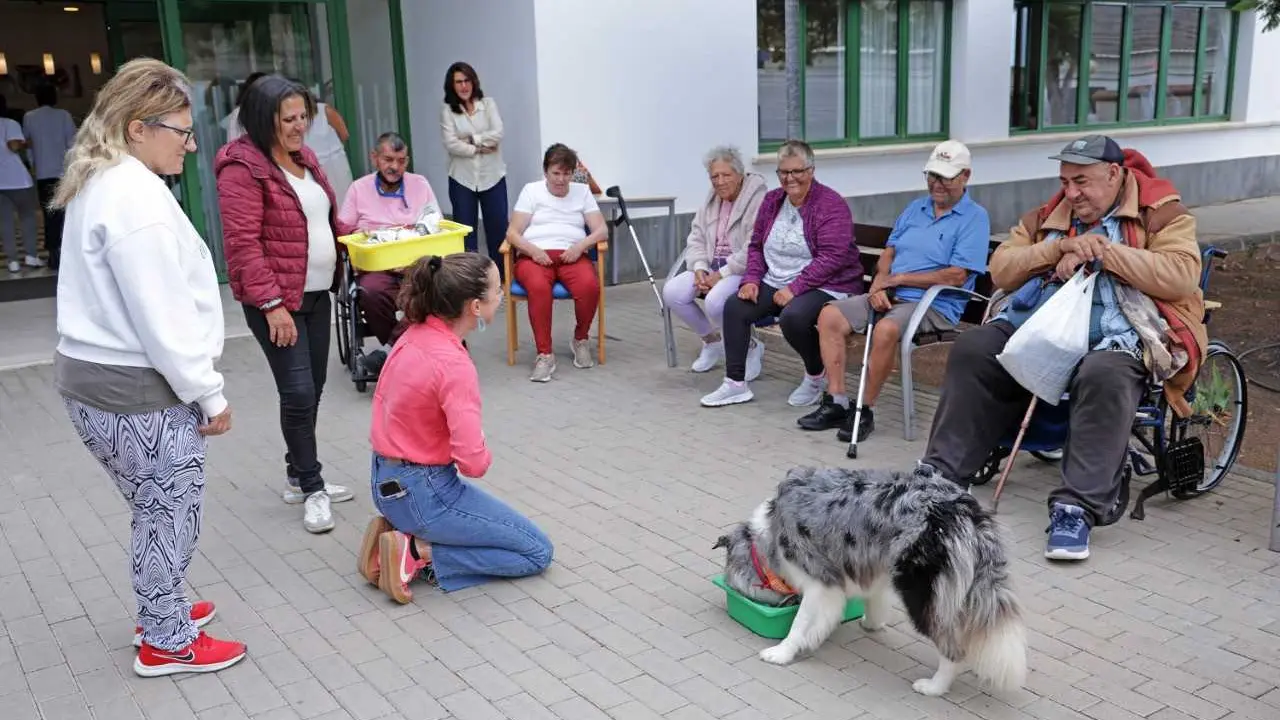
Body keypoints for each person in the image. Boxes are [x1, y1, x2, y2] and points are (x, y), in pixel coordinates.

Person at [917, 134, 1206, 561]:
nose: (1071, 192)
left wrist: (1105, 252)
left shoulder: (1163, 214)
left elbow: (1181, 275)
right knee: (975, 347)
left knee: (1105, 373)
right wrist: (1059, 248)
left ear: (1114, 174)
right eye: (1065, 181)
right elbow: (1002, 268)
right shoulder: (1054, 213)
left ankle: (1077, 507)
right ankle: (941, 477)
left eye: (1081, 181)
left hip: (1118, 332)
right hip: (1044, 326)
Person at [51, 58, 244, 677]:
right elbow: (161, 318)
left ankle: (161, 609)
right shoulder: (135, 200)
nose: (191, 144)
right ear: (139, 127)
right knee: (167, 511)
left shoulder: (106, 179)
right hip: (135, 389)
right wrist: (208, 394)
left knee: (152, 506)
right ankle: (166, 639)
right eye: (182, 132)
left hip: (95, 382)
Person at [358, 252, 554, 603]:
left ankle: (399, 535)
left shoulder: (413, 333)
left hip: (386, 483)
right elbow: (474, 464)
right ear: (475, 306)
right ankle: (415, 552)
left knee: (499, 530)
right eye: (498, 289)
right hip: (426, 493)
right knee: (536, 552)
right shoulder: (453, 363)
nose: (503, 295)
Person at [216, 74, 355, 534]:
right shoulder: (242, 167)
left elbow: (316, 222)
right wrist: (272, 304)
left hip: (316, 294)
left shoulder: (306, 158)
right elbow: (243, 244)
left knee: (312, 389)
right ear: (262, 119)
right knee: (296, 392)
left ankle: (298, 473)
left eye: (303, 117)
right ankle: (311, 487)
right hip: (278, 301)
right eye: (288, 119)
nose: (299, 127)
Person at [798, 140, 991, 443]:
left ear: (965, 176)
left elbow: (956, 275)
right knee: (830, 316)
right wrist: (879, 282)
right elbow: (889, 251)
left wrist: (898, 279)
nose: (936, 184)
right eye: (932, 175)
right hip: (892, 292)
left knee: (886, 330)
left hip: (934, 304)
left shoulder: (975, 218)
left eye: (945, 177)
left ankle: (864, 410)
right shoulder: (916, 207)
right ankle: (837, 401)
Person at [700, 139, 864, 408]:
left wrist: (795, 288)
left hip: (826, 283)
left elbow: (832, 258)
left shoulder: (830, 204)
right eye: (784, 172)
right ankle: (735, 384)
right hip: (776, 278)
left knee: (794, 317)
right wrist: (752, 279)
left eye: (797, 171)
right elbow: (756, 246)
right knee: (735, 307)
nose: (790, 179)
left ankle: (815, 375)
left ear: (811, 170)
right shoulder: (773, 200)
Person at [337, 131, 440, 376]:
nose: (395, 166)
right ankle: (414, 350)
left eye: (401, 161)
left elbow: (435, 222)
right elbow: (342, 229)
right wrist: (360, 233)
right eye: (389, 160)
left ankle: (406, 351)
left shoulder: (420, 184)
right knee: (371, 292)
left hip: (416, 266)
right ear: (375, 158)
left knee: (437, 289)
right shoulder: (358, 189)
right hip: (376, 267)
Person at [505, 143, 608, 382]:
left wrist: (580, 247)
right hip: (535, 256)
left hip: (572, 254)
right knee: (539, 288)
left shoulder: (582, 192)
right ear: (545, 172)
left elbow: (601, 230)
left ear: (573, 173)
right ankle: (544, 355)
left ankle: (580, 339)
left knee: (589, 286)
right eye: (556, 173)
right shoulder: (532, 191)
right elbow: (512, 234)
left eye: (566, 173)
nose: (561, 180)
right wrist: (532, 251)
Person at [662, 144, 768, 373]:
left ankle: (749, 346)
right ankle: (712, 341)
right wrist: (699, 268)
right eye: (714, 176)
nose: (720, 181)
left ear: (739, 174)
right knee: (673, 292)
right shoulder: (711, 201)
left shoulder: (757, 200)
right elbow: (696, 238)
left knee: (715, 301)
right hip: (712, 266)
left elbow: (754, 247)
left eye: (726, 175)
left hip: (740, 270)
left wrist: (720, 275)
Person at [440, 61, 508, 268]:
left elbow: (498, 133)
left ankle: (501, 277)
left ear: (473, 81)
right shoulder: (448, 111)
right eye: (458, 82)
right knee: (466, 232)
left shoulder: (488, 105)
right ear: (451, 86)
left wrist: (470, 140)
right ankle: (470, 279)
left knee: (497, 228)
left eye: (466, 80)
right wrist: (480, 147)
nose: (463, 86)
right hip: (462, 179)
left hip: (493, 176)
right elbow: (451, 144)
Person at [22, 84, 77, 270]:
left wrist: (34, 166)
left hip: (43, 173)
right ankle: (68, 252)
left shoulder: (29, 117)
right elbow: (73, 144)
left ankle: (54, 254)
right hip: (64, 172)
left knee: (49, 213)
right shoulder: (64, 115)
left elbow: (28, 147)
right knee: (66, 213)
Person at [0, 94, 41, 274]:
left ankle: (12, 261)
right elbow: (13, 146)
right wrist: (25, 143)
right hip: (17, 180)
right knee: (27, 217)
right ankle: (31, 256)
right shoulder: (10, 124)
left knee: (5, 222)